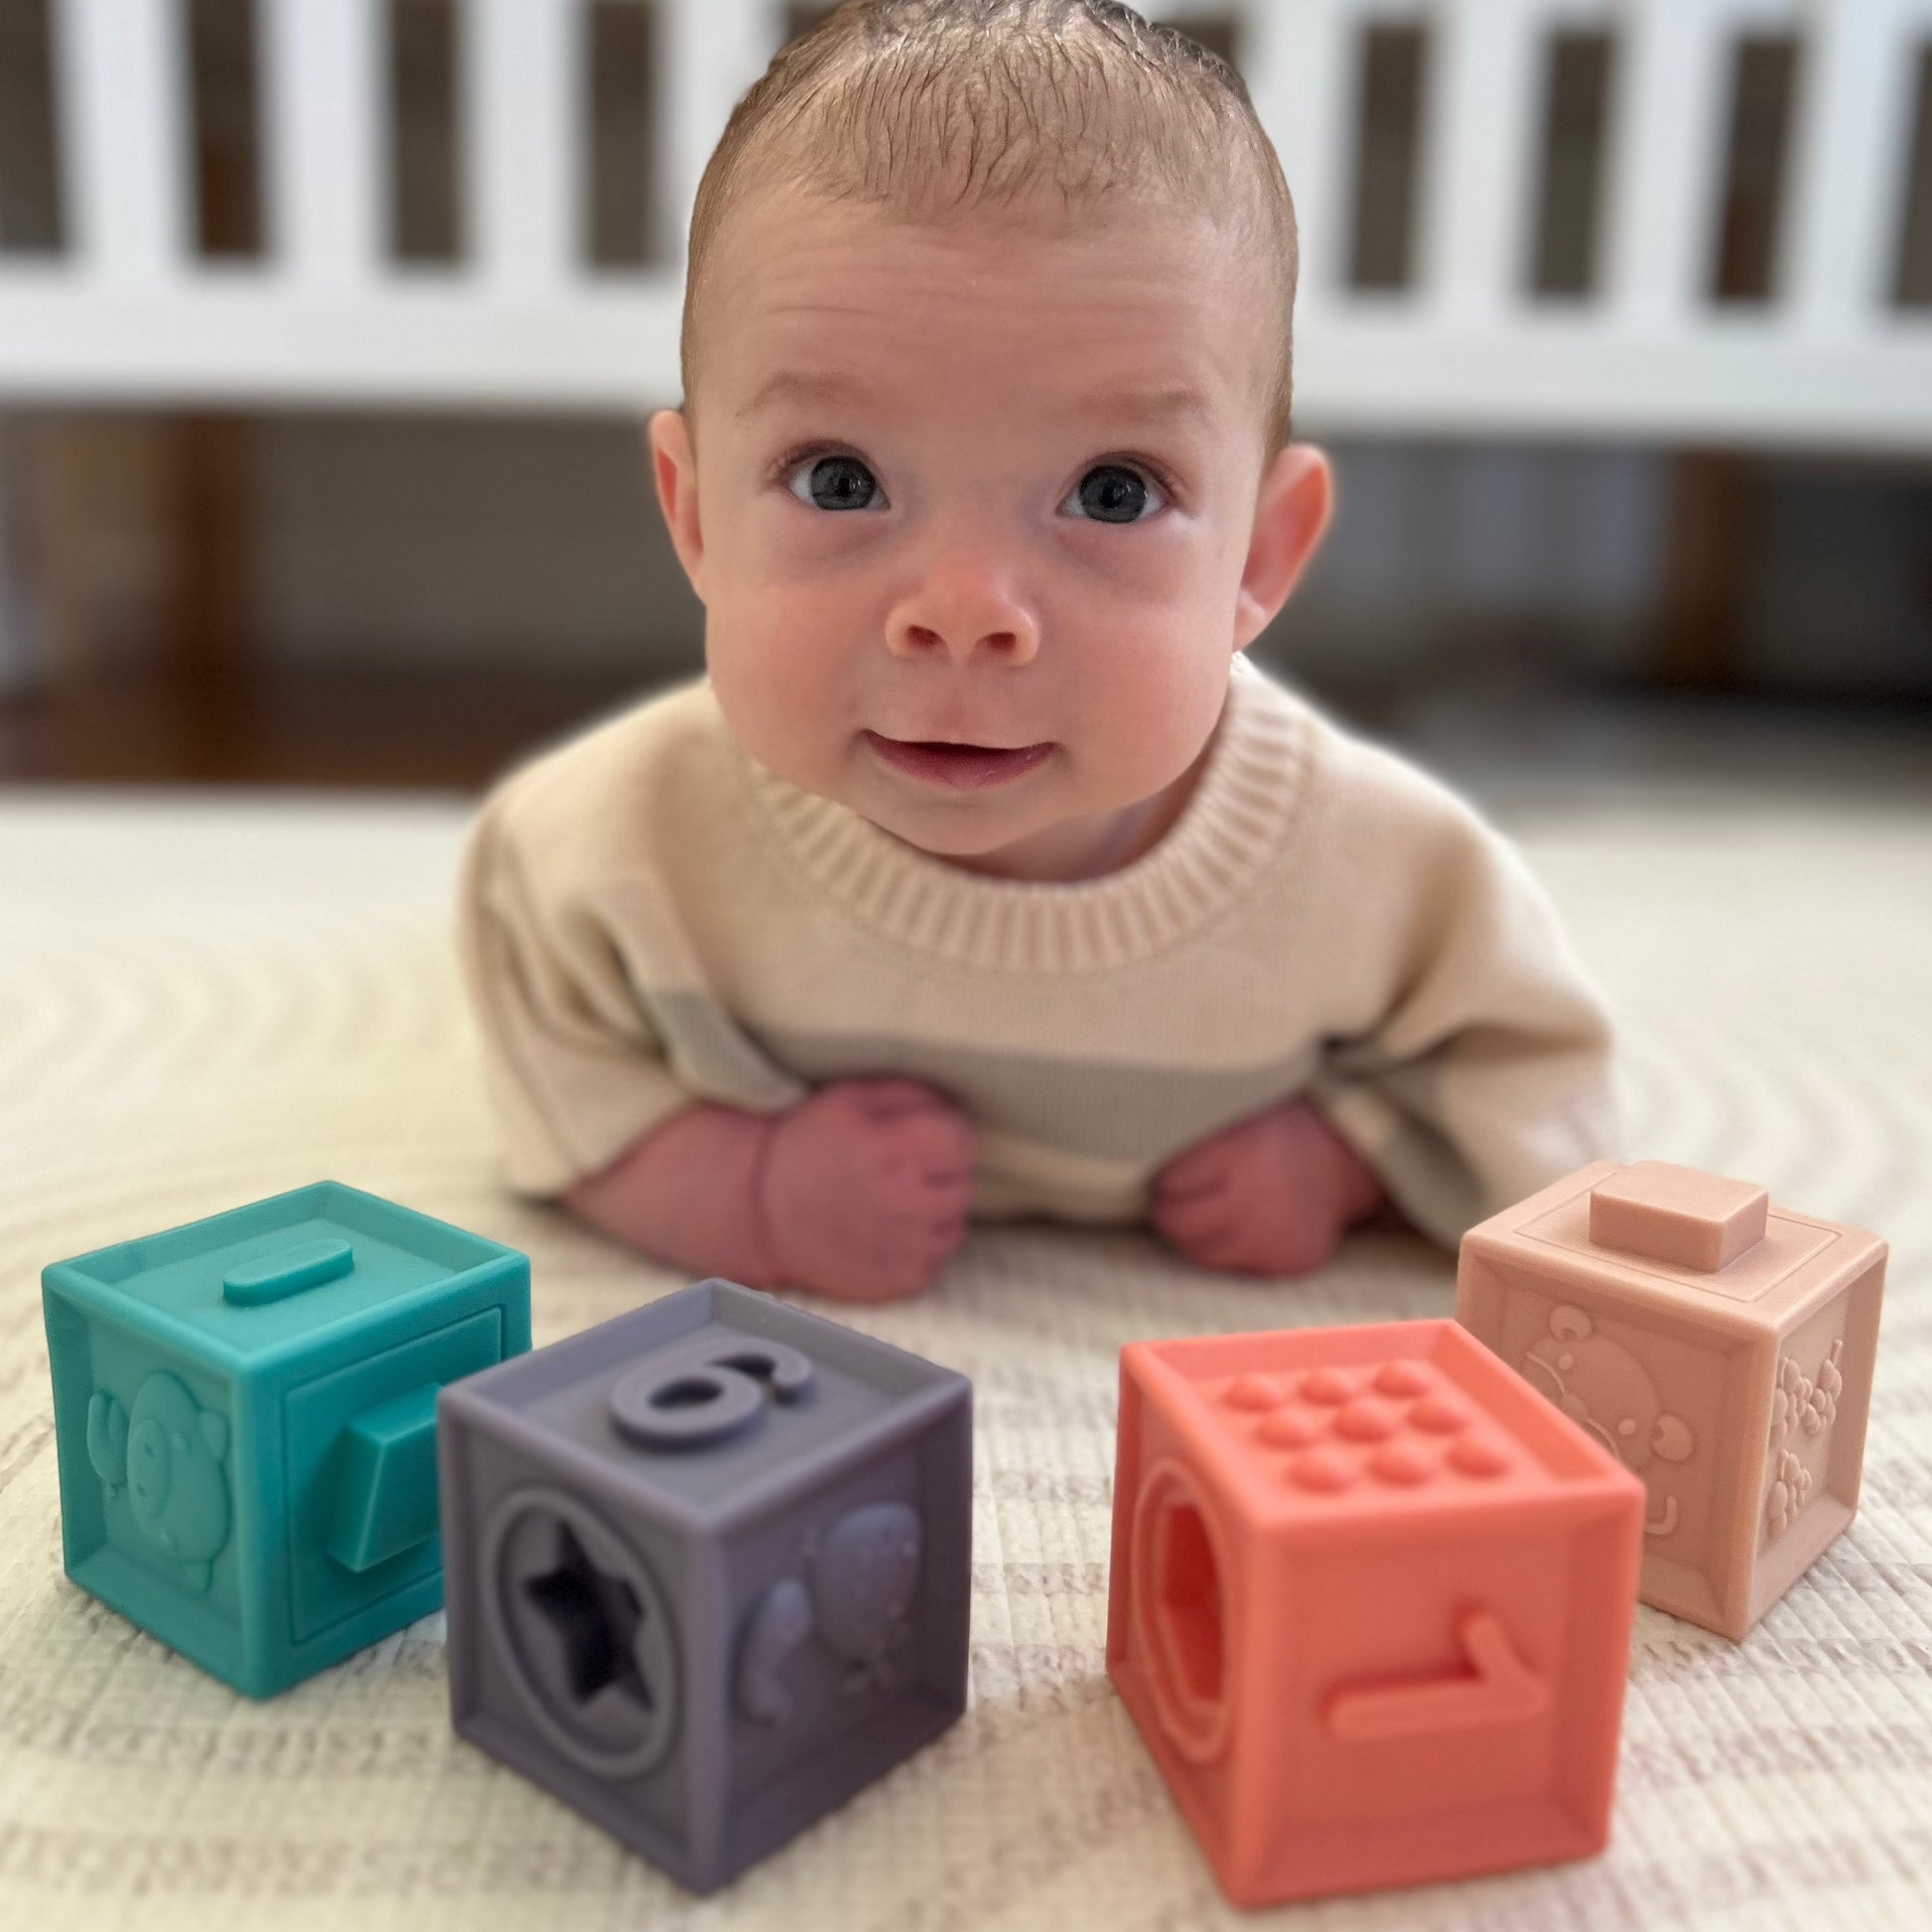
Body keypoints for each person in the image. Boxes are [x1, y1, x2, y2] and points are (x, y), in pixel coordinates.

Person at [457, 0, 1618, 1303]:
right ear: (694, 517)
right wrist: (733, 1182)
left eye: (1112, 492)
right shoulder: (619, 845)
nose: (962, 610)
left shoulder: (1381, 875)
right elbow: (544, 1045)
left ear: (1257, 557)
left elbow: (1532, 1081)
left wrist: (1349, 1153)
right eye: (839, 479)